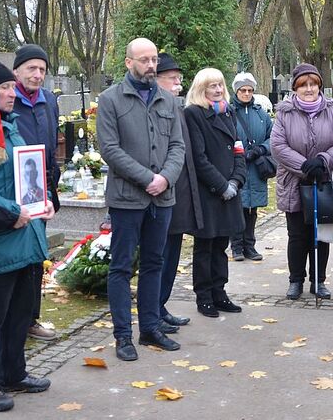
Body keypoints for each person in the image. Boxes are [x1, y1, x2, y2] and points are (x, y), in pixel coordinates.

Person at [0, 58, 55, 412]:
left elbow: (24, 178)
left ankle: (13, 372)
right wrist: (11, 212)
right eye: (2, 87)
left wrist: (41, 203)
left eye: (8, 87)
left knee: (19, 313)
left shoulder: (11, 125)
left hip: (24, 238)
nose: (10, 92)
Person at [97, 38, 185, 361]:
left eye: (154, 60)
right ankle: (123, 335)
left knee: (154, 263)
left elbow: (178, 146)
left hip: (163, 199)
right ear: (128, 62)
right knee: (121, 267)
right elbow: (110, 149)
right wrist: (147, 178)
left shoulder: (168, 102)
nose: (151, 65)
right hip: (127, 200)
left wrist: (165, 178)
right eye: (144, 60)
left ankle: (150, 326)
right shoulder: (110, 100)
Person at [270, 64, 333, 300]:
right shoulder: (285, 113)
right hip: (294, 181)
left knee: (320, 234)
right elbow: (278, 146)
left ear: (319, 85)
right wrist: (305, 165)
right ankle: (296, 280)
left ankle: (318, 280)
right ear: (295, 88)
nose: (309, 89)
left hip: (324, 180)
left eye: (313, 84)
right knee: (296, 234)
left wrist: (323, 160)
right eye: (303, 85)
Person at [183, 68, 247, 317]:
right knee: (205, 247)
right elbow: (198, 158)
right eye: (212, 86)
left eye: (220, 85)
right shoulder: (194, 114)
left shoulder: (228, 112)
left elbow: (238, 149)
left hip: (230, 189)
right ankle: (205, 296)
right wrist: (221, 186)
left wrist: (237, 181)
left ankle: (220, 292)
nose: (218, 90)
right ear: (201, 89)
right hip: (209, 192)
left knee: (222, 245)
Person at [12, 44, 61, 342]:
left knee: (35, 258)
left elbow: (52, 150)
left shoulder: (49, 102)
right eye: (31, 68)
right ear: (17, 70)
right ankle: (14, 319)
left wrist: (53, 193)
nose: (37, 75)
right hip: (12, 191)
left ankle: (31, 318)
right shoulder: (7, 100)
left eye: (42, 69)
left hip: (40, 191)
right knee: (16, 258)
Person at [155, 53, 200, 330]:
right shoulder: (156, 108)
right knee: (158, 258)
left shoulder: (175, 107)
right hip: (159, 193)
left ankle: (161, 305)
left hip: (178, 194)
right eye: (173, 79)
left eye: (179, 80)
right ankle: (153, 310)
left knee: (171, 255)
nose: (178, 85)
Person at [230, 72, 273, 262]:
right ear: (236, 91)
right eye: (242, 90)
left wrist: (260, 149)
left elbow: (274, 138)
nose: (246, 93)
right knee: (237, 207)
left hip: (256, 167)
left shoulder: (261, 114)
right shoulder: (229, 112)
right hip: (236, 166)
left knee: (252, 209)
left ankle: (250, 245)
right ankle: (237, 246)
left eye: (249, 90)